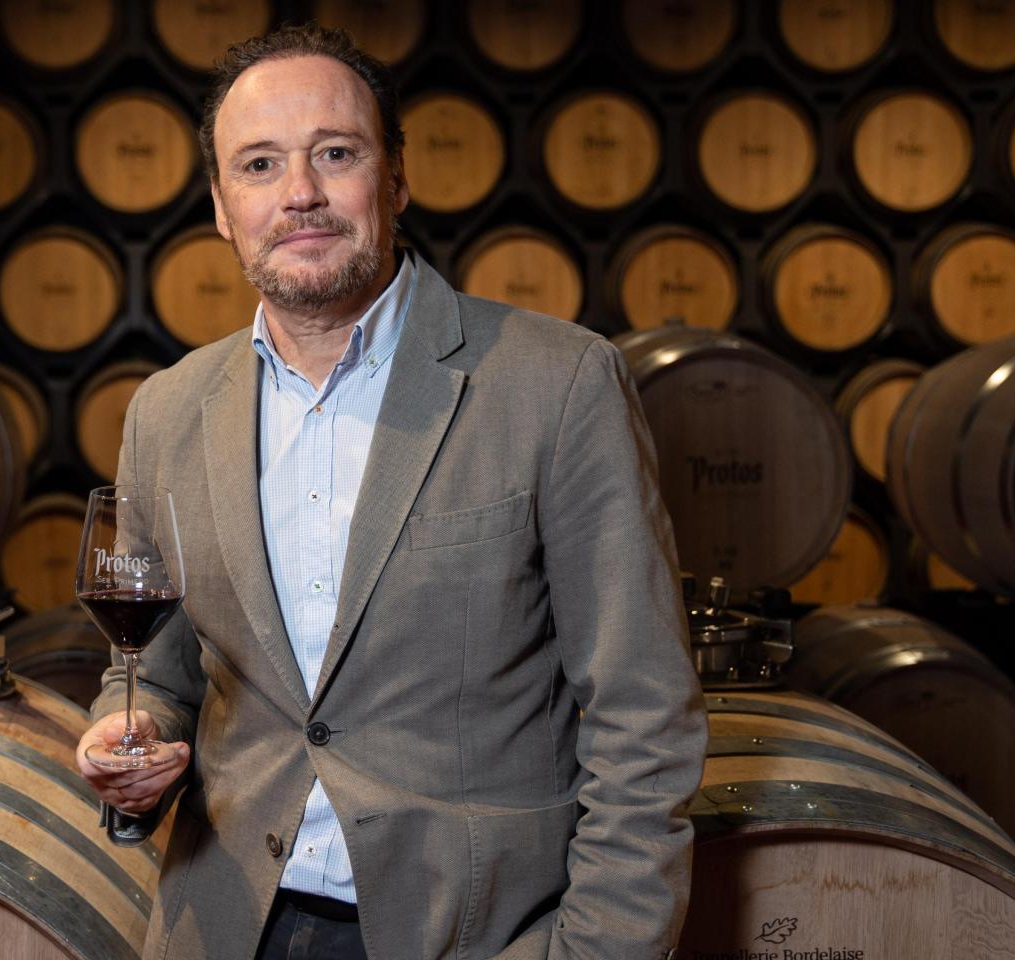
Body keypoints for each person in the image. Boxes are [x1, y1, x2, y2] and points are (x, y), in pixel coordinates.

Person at [75, 22, 706, 960]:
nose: (301, 195)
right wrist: (128, 734)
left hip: (475, 932)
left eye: (336, 153)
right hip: (229, 928)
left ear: (397, 178)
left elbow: (644, 715)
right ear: (220, 206)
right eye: (258, 165)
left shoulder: (558, 383)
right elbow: (158, 674)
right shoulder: (166, 412)